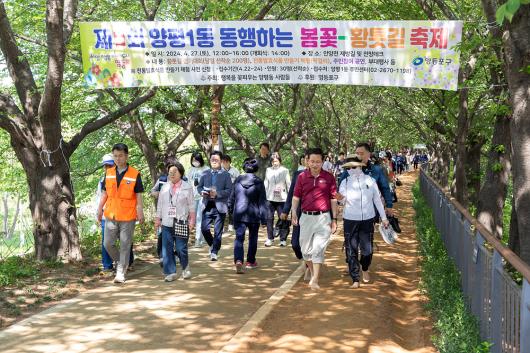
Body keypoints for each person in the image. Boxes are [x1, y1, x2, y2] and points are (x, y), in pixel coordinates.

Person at [336, 157, 390, 288]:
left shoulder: (370, 181)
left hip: (367, 219)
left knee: (367, 251)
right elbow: (342, 201)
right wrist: (340, 198)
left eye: (355, 167)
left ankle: (365, 268)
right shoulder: (345, 182)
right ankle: (355, 278)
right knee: (351, 249)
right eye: (349, 168)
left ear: (361, 167)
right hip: (350, 219)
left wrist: (384, 218)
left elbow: (377, 200)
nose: (352, 170)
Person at [291, 148, 338, 290]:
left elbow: (334, 199)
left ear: (322, 162)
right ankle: (312, 271)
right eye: (312, 161)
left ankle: (315, 280)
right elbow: (296, 197)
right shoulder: (301, 177)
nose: (315, 164)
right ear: (307, 161)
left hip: (324, 218)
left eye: (318, 161)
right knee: (305, 251)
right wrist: (294, 212)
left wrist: (334, 219)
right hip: (305, 217)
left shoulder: (329, 177)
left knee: (318, 250)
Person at [97, 143, 145, 283]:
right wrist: (100, 208)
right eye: (115, 156)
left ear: (126, 156)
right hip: (111, 213)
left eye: (121, 156)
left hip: (128, 215)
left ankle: (120, 273)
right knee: (107, 243)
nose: (118, 159)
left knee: (125, 244)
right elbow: (104, 193)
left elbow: (138, 196)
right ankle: (121, 263)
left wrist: (140, 212)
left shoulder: (134, 174)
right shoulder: (109, 172)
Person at [155, 161, 195, 281]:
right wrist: (157, 219)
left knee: (180, 248)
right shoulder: (165, 187)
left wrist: (191, 221)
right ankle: (170, 272)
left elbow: (191, 206)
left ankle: (185, 268)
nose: (172, 174)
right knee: (166, 248)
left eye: (174, 171)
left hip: (181, 221)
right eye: (170, 172)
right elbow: (160, 205)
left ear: (180, 173)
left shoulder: (187, 187)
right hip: (166, 222)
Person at [228, 158, 268, 273]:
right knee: (253, 238)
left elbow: (231, 197)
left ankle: (239, 260)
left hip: (239, 213)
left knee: (239, 238)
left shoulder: (237, 180)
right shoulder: (259, 182)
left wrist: (231, 210)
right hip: (254, 214)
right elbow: (262, 202)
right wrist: (264, 219)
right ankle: (250, 261)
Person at [96, 154, 134, 274]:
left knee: (125, 241)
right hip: (107, 214)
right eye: (105, 166)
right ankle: (108, 265)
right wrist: (99, 210)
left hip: (124, 214)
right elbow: (101, 196)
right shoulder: (103, 180)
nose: (107, 167)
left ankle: (128, 263)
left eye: (110, 165)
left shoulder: (128, 176)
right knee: (106, 242)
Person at [281, 151, 311, 280]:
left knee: (310, 243)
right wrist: (286, 210)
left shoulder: (322, 176)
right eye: (306, 159)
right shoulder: (298, 175)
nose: (308, 161)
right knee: (295, 243)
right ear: (304, 161)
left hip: (313, 215)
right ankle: (303, 259)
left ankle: (309, 266)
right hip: (298, 213)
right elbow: (291, 194)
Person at [197, 151, 233, 261]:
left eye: (216, 160)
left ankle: (214, 252)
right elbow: (199, 187)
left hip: (220, 205)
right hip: (207, 204)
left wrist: (218, 194)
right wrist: (202, 192)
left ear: (221, 161)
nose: (214, 161)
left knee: (218, 231)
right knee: (204, 229)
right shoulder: (205, 173)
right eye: (212, 159)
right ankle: (213, 245)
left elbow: (229, 190)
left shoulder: (226, 175)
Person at [264, 152, 291, 247]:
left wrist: (289, 198)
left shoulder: (285, 170)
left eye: (276, 161)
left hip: (282, 198)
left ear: (280, 161)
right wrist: (264, 195)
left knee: (283, 218)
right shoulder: (268, 170)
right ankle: (270, 238)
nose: (274, 163)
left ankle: (283, 239)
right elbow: (266, 183)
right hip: (270, 198)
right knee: (269, 219)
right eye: (273, 161)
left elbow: (289, 184)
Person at [186, 151, 209, 248]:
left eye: (197, 160)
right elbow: (187, 183)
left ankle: (198, 239)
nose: (195, 162)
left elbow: (209, 182)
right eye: (193, 160)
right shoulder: (190, 170)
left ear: (200, 160)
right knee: (192, 219)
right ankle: (202, 238)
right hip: (192, 197)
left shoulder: (206, 169)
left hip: (202, 196)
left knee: (200, 217)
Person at [222, 154, 240, 233]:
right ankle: (221, 226)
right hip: (222, 192)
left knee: (231, 209)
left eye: (227, 162)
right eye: (223, 162)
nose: (225, 163)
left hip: (232, 191)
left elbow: (239, 181)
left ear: (229, 162)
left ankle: (231, 225)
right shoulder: (220, 171)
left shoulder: (235, 170)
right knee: (221, 209)